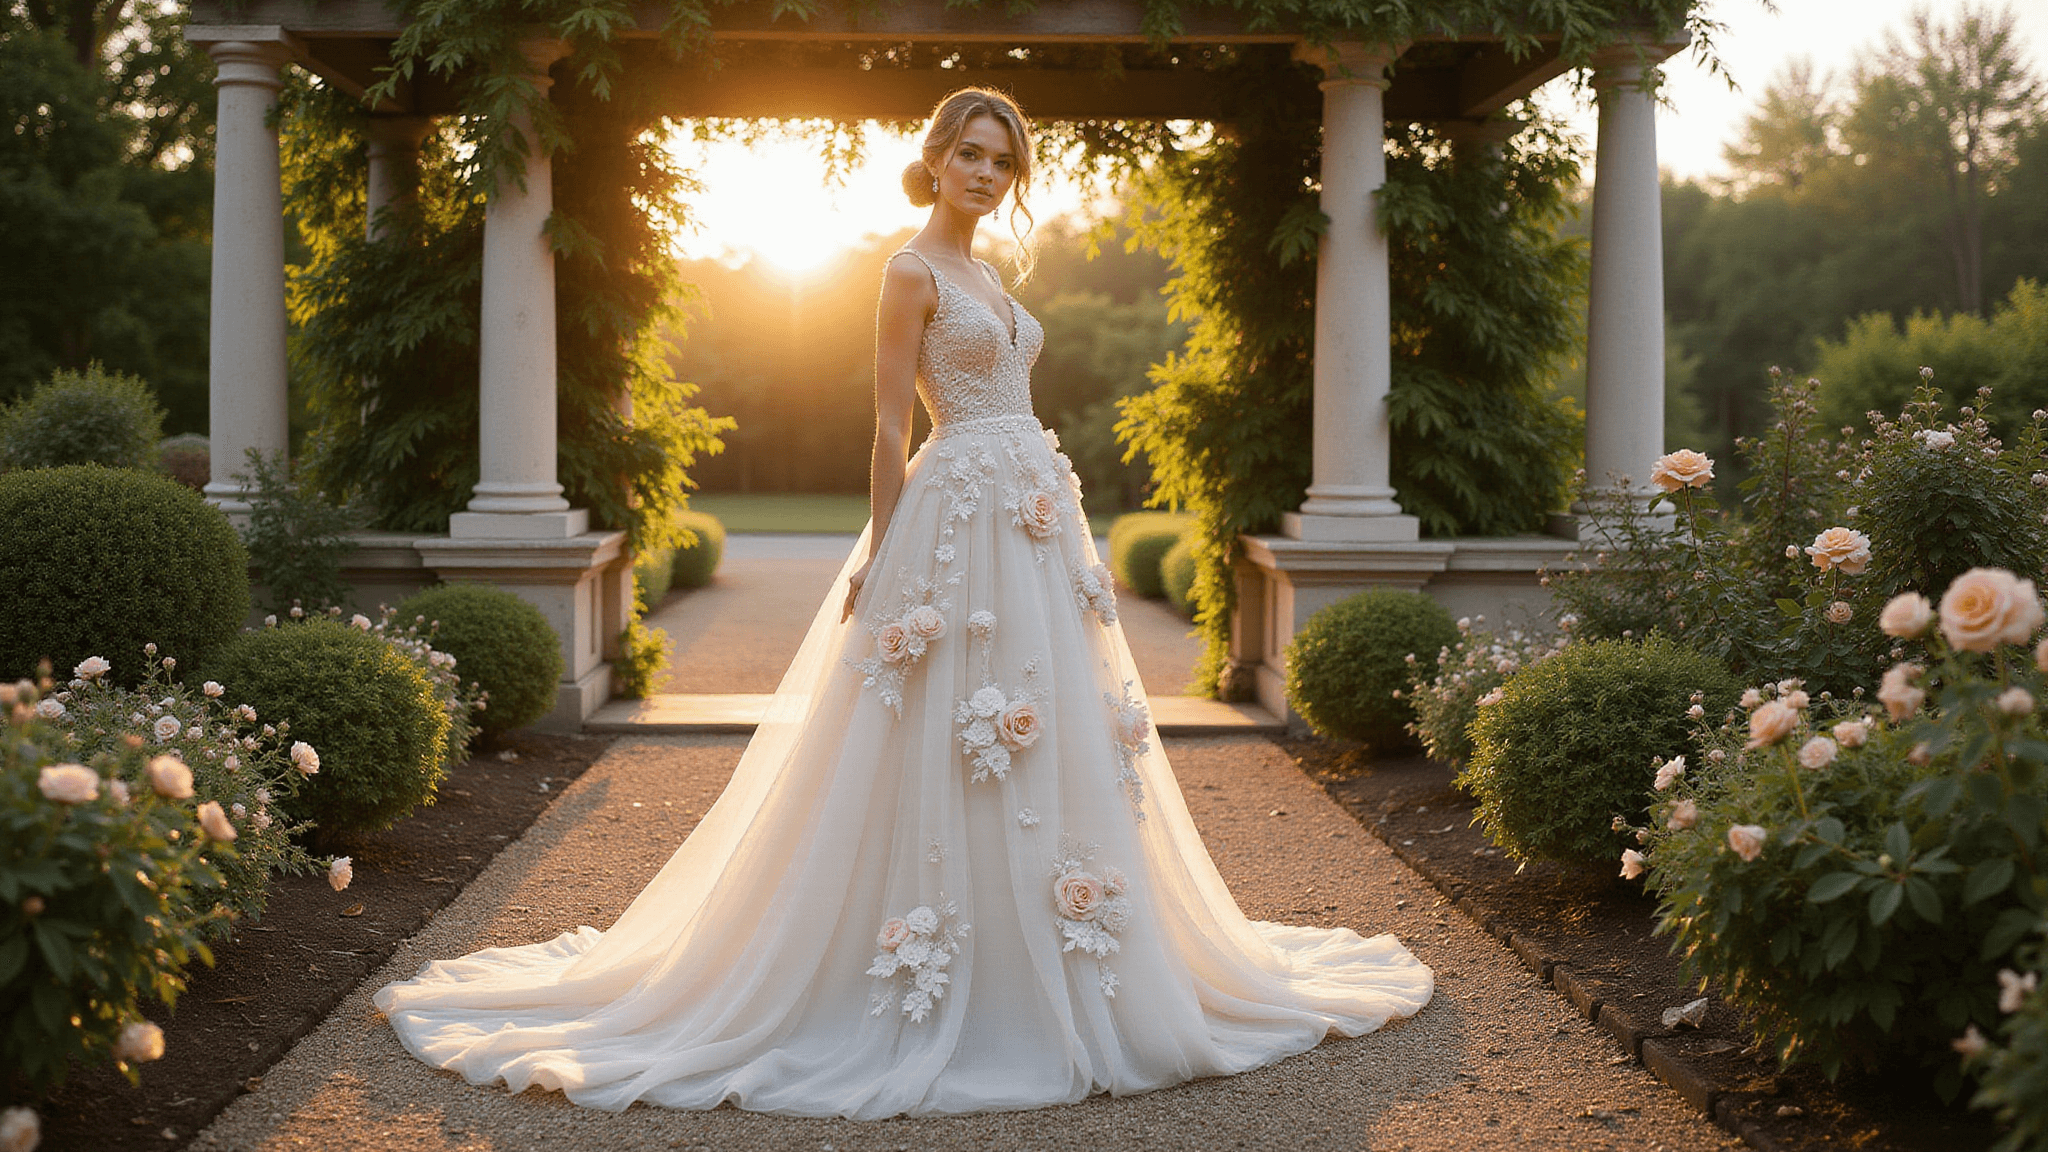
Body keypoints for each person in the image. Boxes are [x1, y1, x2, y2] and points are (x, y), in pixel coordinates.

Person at [373, 86, 1432, 1119]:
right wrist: (881, 558)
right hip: (955, 511)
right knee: (941, 720)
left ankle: (1054, 946)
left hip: (1031, 518)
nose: (986, 173)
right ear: (934, 158)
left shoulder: (993, 272)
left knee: (1045, 720)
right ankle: (926, 962)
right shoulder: (908, 270)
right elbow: (887, 424)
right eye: (970, 153)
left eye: (1003, 160)